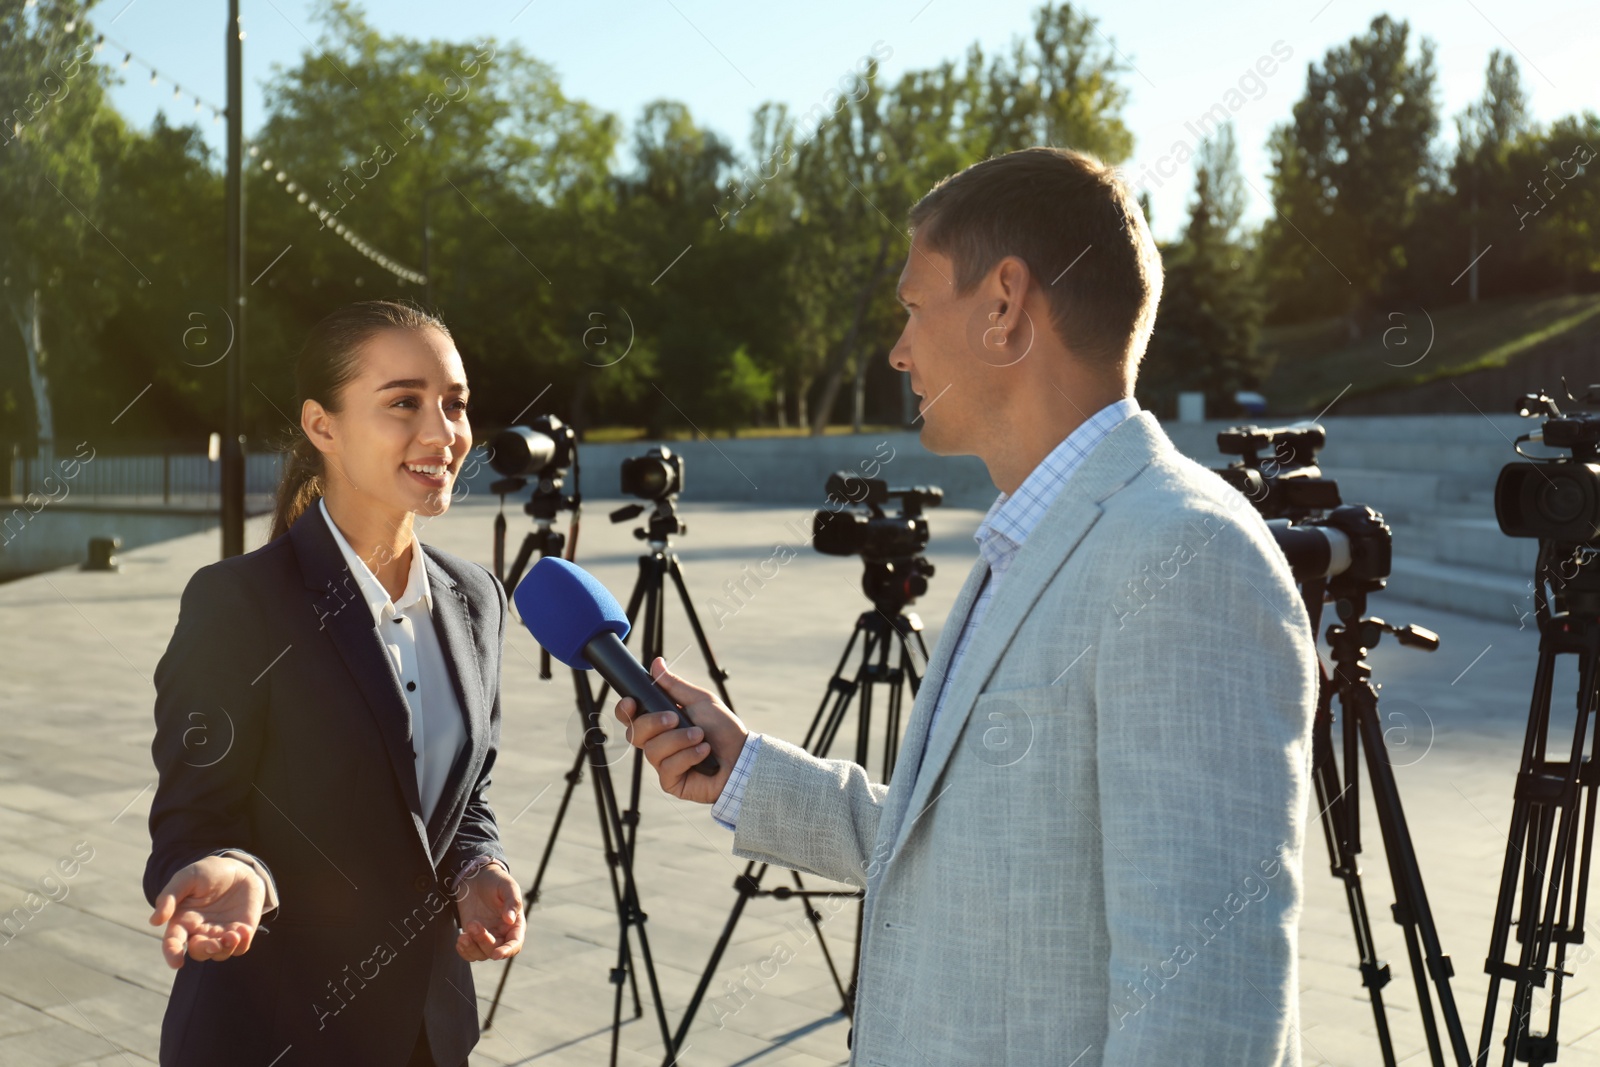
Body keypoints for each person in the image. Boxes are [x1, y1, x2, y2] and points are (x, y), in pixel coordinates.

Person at [616, 148, 1320, 1065]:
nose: (899, 347)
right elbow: (955, 844)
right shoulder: (1025, 537)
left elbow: (1204, 1005)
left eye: (913, 306)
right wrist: (745, 769)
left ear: (1003, 306)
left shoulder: (1186, 557)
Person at [143, 300, 524, 1067]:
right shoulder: (238, 602)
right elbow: (192, 814)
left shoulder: (478, 595)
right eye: (403, 402)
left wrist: (480, 866)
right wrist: (232, 866)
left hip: (429, 1032)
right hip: (275, 1031)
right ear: (322, 425)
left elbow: (463, 793)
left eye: (455, 403)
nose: (442, 432)